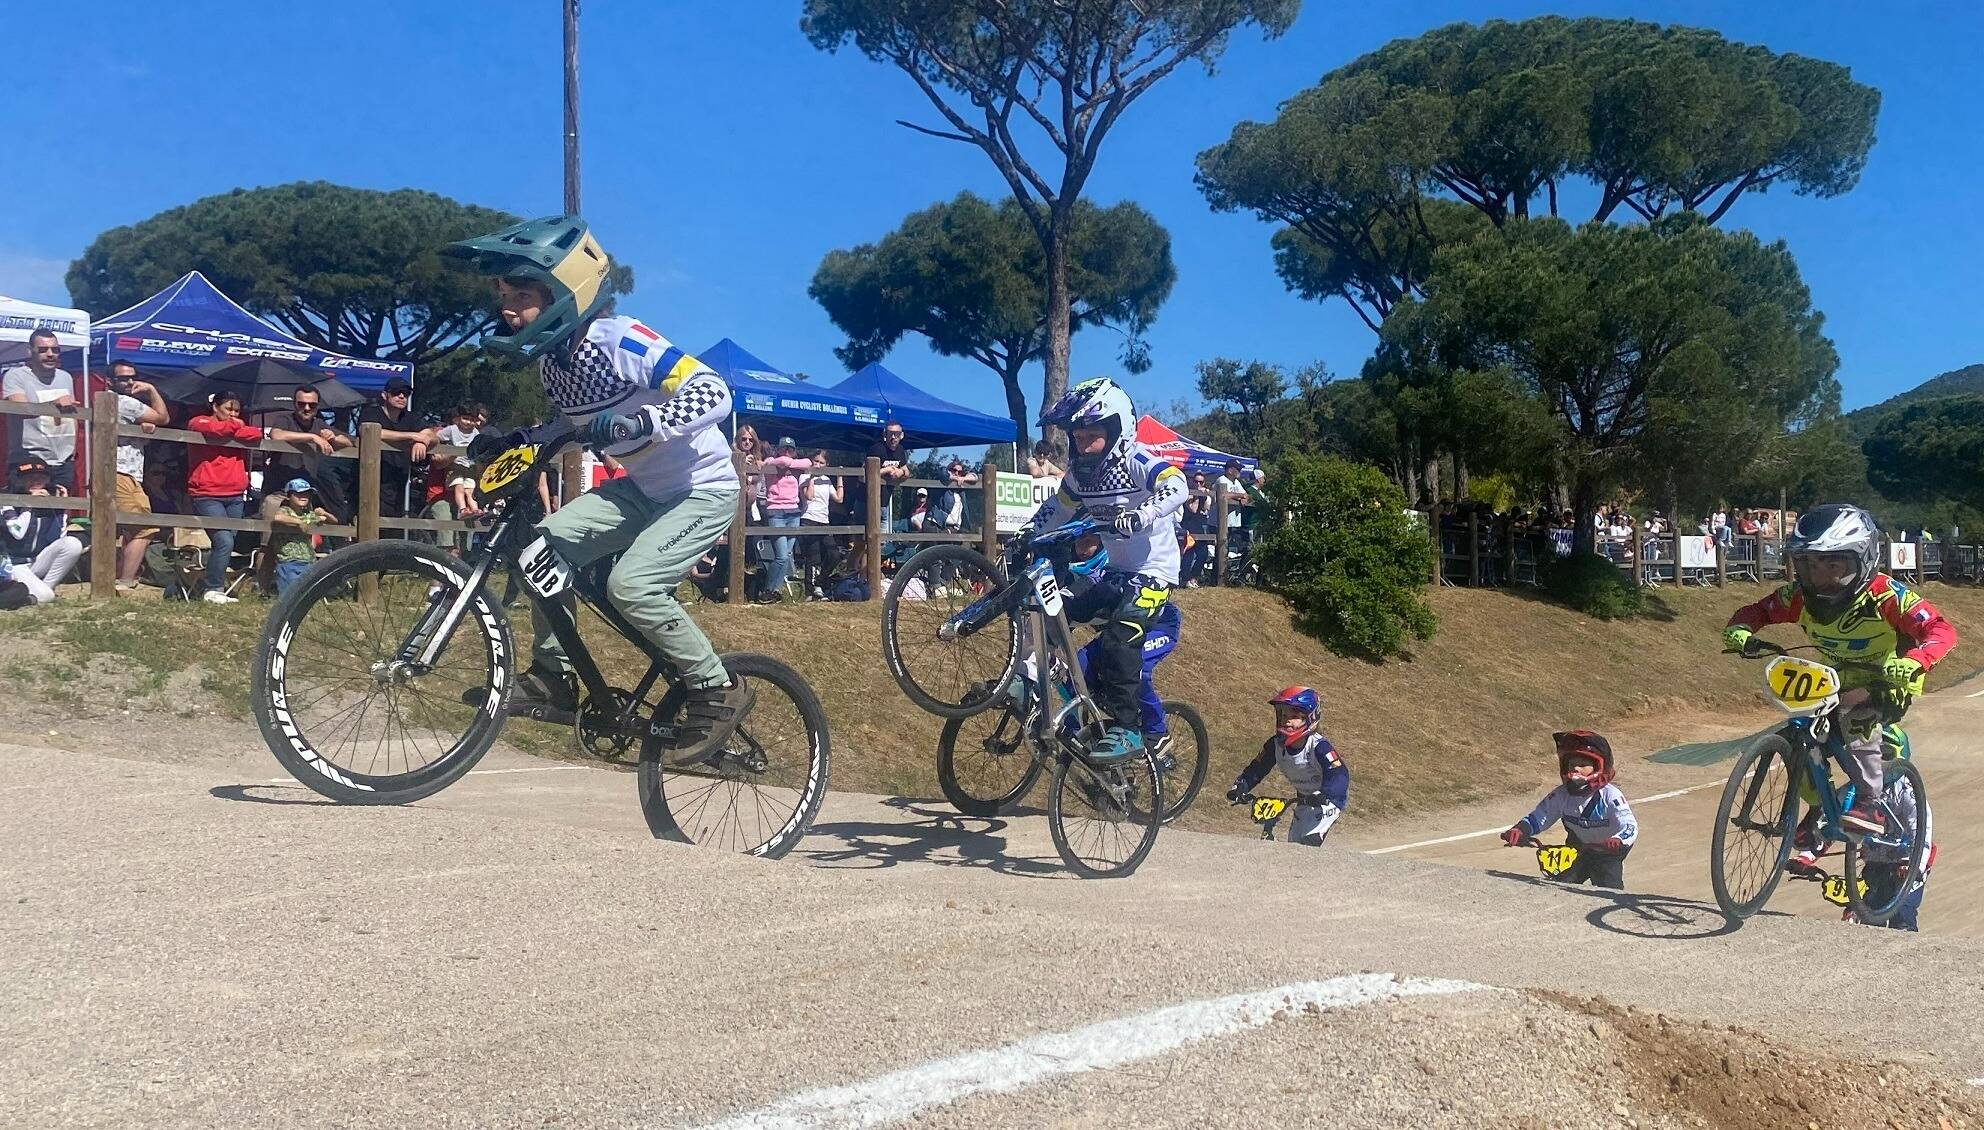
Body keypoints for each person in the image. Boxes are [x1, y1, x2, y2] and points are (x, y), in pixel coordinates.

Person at [443, 215, 748, 759]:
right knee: (540, 552)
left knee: (631, 587)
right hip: (644, 489)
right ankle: (553, 676)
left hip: (703, 489)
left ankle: (718, 688)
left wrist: (648, 423)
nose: (509, 309)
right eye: (504, 296)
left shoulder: (620, 338)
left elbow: (714, 390)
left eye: (524, 295)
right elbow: (564, 432)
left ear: (567, 292)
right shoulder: (553, 369)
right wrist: (494, 455)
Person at [1721, 504, 1957, 837]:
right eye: (1810, 566)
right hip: (1834, 681)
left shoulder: (1888, 597)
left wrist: (1916, 660)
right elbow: (1759, 610)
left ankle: (1869, 802)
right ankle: (1819, 806)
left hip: (1888, 681)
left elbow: (1939, 629)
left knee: (1855, 709)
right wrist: (1741, 629)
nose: (1822, 578)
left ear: (1864, 559)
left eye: (1835, 565)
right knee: (1803, 734)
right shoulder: (1800, 597)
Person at [1020, 376, 1188, 762]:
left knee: (1118, 642)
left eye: (1090, 435)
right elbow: (1057, 509)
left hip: (1155, 573)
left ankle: (1130, 729)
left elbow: (1177, 484)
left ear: (1116, 428)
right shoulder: (1080, 475)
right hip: (1117, 573)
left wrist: (1142, 513)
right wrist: (1027, 532)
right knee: (1051, 610)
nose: (1082, 443)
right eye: (1076, 437)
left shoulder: (1136, 460)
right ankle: (1030, 682)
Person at [1500, 730, 1638, 890]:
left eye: (1583, 765)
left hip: (1608, 852)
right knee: (1561, 886)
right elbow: (1540, 817)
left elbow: (1629, 825)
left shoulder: (1610, 795)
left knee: (1608, 890)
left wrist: (1619, 839)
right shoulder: (1560, 795)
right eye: (1572, 765)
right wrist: (1520, 829)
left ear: (1600, 767)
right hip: (1578, 848)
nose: (1576, 769)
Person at [1225, 687, 1349, 847]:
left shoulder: (1319, 746)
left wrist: (1325, 793)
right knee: (1292, 849)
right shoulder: (1275, 745)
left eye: (1295, 716)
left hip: (1327, 802)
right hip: (1304, 800)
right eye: (1284, 715)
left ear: (1310, 718)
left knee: (1308, 846)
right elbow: (1257, 768)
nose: (1287, 721)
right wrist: (1241, 786)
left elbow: (1340, 774)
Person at [186, 391, 265, 604]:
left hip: (235, 495)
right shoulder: (198, 421)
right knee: (224, 541)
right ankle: (213, 589)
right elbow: (210, 428)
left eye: (236, 410)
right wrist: (235, 426)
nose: (232, 414)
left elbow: (255, 435)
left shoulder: (237, 426)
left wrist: (233, 428)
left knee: (225, 542)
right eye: (228, 409)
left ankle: (206, 585)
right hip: (207, 495)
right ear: (215, 407)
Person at [105, 362, 168, 591]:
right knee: (144, 527)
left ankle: (120, 577)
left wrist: (145, 429)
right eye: (123, 378)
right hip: (121, 472)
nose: (130, 382)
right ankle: (124, 581)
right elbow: (163, 417)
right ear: (110, 381)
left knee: (129, 528)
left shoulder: (111, 401)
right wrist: (151, 390)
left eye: (133, 377)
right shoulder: (126, 403)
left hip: (126, 472)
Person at [3, 329, 79, 491]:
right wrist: (54, 403)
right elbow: (20, 408)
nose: (50, 354)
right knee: (26, 512)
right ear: (30, 351)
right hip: (29, 457)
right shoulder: (16, 376)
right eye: (43, 350)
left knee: (59, 512)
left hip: (63, 460)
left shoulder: (65, 377)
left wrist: (73, 449)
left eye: (55, 350)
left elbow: (72, 413)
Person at [267, 386, 357, 523]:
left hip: (306, 496)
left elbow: (352, 442)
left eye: (312, 405)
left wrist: (333, 438)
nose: (307, 408)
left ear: (317, 406)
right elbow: (276, 434)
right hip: (279, 494)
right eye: (301, 404)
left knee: (305, 540)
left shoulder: (319, 424)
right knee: (269, 539)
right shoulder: (285, 419)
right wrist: (312, 437)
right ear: (294, 404)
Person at [0, 456, 83, 602]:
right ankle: (36, 595)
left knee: (73, 543)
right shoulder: (7, 499)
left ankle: (45, 588)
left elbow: (60, 539)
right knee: (46, 596)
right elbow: (18, 533)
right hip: (14, 564)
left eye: (41, 477)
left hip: (36, 560)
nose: (36, 481)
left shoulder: (49, 501)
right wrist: (29, 504)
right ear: (19, 480)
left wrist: (62, 507)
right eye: (29, 477)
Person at [355, 376, 437, 518]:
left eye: (406, 393)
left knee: (393, 529)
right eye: (396, 392)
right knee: (368, 521)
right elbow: (369, 431)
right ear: (384, 395)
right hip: (369, 480)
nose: (401, 396)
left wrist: (422, 441)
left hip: (398, 483)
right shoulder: (371, 412)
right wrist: (412, 436)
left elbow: (433, 436)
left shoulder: (410, 417)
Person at [758, 436, 812, 603]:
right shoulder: (771, 461)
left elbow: (808, 463)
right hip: (776, 511)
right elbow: (777, 462)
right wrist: (786, 462)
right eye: (784, 448)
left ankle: (774, 591)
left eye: (791, 449)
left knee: (787, 555)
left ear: (795, 451)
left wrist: (790, 463)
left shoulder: (795, 464)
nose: (787, 452)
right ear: (778, 449)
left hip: (793, 512)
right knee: (781, 555)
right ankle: (767, 590)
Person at [268, 479, 335, 594]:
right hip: (288, 560)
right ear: (289, 496)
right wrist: (299, 523)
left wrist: (324, 513)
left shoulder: (308, 514)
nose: (303, 496)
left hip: (308, 560)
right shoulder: (285, 510)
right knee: (289, 595)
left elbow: (333, 521)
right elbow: (278, 518)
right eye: (298, 493)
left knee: (306, 594)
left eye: (307, 494)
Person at [799, 450, 843, 600]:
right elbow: (809, 496)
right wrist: (811, 477)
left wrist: (840, 478)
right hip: (809, 518)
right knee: (814, 556)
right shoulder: (804, 477)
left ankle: (819, 581)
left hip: (824, 521)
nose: (817, 465)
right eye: (815, 461)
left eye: (821, 462)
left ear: (826, 465)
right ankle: (810, 592)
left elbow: (838, 499)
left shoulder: (826, 479)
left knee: (834, 555)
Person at [865, 421, 914, 527]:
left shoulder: (900, 450)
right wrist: (887, 470)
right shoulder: (876, 449)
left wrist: (901, 472)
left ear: (901, 435)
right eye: (890, 433)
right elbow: (865, 474)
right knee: (863, 538)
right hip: (867, 502)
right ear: (885, 434)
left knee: (882, 540)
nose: (893, 437)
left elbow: (907, 471)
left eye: (896, 434)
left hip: (884, 502)